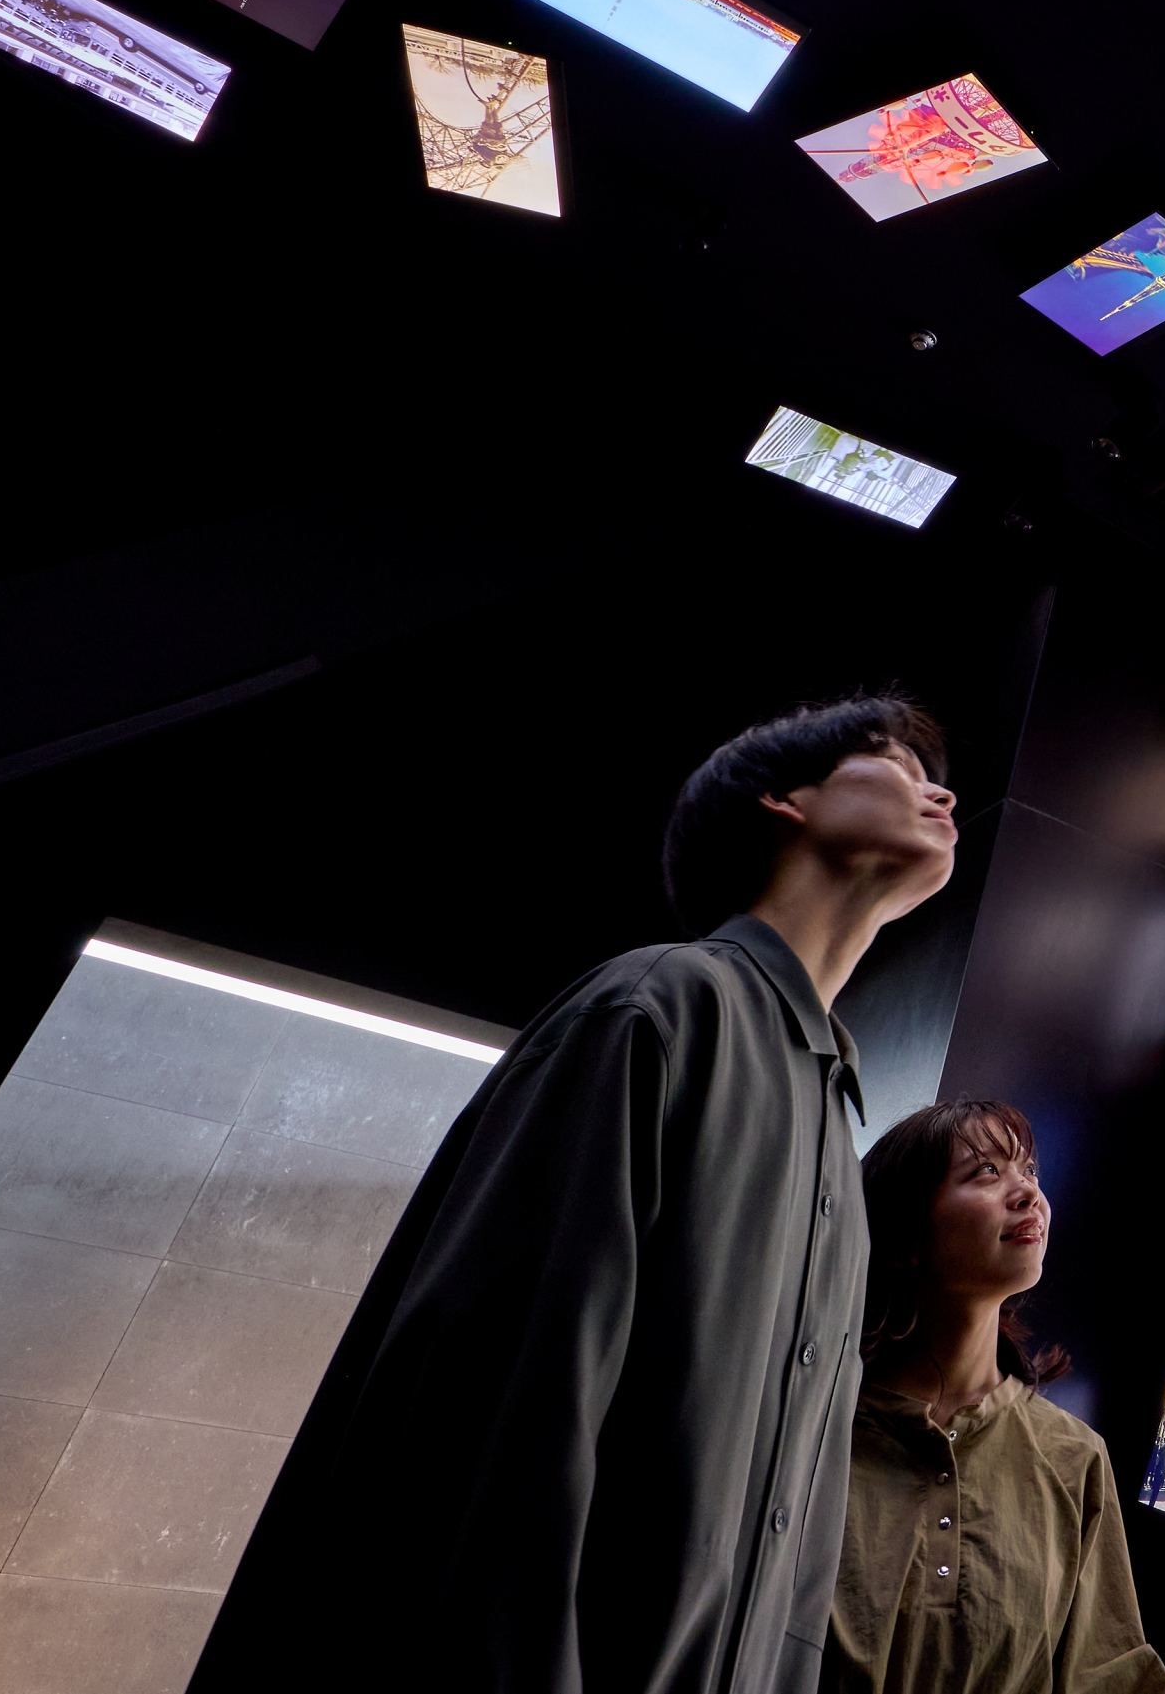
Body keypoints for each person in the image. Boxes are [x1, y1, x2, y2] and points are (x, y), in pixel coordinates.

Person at [199, 695, 961, 1694]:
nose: (941, 794)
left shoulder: (831, 1109)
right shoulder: (659, 1008)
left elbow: (796, 1539)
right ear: (787, 800)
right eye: (899, 765)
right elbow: (498, 1424)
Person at [829, 1102, 1165, 1694]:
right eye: (986, 1171)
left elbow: (1111, 1675)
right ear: (906, 1235)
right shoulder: (816, 1430)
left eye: (1030, 1170)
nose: (1029, 1192)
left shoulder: (1075, 1457)